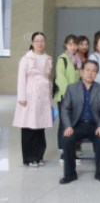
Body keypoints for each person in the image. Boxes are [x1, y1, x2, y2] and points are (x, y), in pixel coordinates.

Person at [59, 60, 100, 184]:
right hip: (76, 125)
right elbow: (65, 109)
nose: (90, 73)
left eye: (93, 71)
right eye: (87, 70)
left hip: (95, 125)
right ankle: (70, 174)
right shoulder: (72, 88)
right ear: (82, 71)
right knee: (68, 139)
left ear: (96, 74)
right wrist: (68, 126)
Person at [13, 32, 53, 167]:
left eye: (42, 41)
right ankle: (30, 158)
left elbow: (47, 77)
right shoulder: (26, 59)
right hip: (30, 96)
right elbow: (21, 79)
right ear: (32, 42)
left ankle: (39, 156)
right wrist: (22, 97)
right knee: (29, 127)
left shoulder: (48, 58)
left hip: (43, 96)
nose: (39, 43)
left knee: (40, 127)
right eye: (37, 41)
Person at [54, 34, 82, 158]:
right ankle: (63, 151)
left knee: (74, 122)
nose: (73, 47)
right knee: (64, 123)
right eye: (70, 44)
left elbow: (79, 78)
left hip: (76, 97)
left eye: (75, 44)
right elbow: (61, 79)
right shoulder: (63, 59)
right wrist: (69, 94)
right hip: (65, 96)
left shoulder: (77, 60)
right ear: (66, 45)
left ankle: (72, 149)